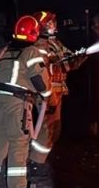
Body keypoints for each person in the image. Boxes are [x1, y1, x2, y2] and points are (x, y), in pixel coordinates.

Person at [0, 15, 52, 188]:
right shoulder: (31, 52)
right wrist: (47, 95)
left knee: (0, 140)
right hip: (17, 101)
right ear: (34, 33)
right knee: (19, 142)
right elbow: (38, 80)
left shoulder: (5, 51)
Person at [29, 10, 87, 163]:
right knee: (46, 129)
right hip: (46, 92)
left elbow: (68, 62)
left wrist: (79, 57)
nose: (52, 25)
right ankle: (36, 162)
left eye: (53, 22)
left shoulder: (56, 43)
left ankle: (43, 160)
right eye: (48, 23)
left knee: (55, 128)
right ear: (39, 27)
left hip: (58, 90)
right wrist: (67, 60)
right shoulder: (38, 46)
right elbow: (52, 64)